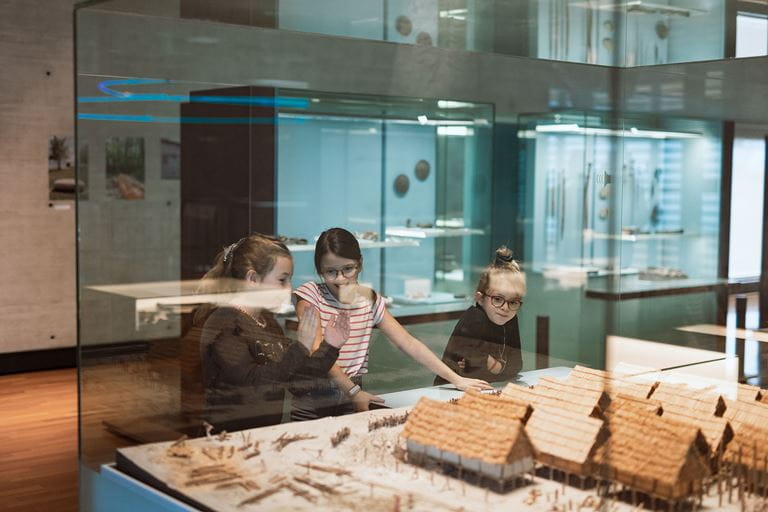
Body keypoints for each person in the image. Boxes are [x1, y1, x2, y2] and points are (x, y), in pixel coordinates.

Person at [291, 227, 492, 420]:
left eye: (348, 269)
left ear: (359, 264)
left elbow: (407, 342)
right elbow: (317, 350)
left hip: (351, 392)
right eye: (331, 272)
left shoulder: (368, 299)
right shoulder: (311, 295)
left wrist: (456, 379)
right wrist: (353, 391)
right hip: (315, 395)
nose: (340, 278)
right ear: (319, 270)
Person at [194, 234, 350, 432]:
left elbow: (297, 383)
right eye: (282, 280)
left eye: (289, 280)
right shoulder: (224, 322)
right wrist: (301, 347)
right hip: (229, 436)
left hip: (263, 433)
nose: (288, 289)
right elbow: (255, 384)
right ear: (252, 279)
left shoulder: (267, 321)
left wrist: (330, 345)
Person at [434, 246, 525, 385]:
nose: (505, 308)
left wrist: (493, 364)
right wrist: (498, 366)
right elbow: (470, 370)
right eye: (498, 299)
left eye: (513, 302)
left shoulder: (510, 317)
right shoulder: (475, 319)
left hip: (490, 387)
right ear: (480, 298)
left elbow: (516, 365)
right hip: (451, 389)